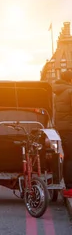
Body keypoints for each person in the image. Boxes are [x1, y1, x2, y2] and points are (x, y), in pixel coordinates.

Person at [53, 70, 72, 198]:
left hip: (63, 129)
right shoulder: (70, 92)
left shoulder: (57, 93)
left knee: (68, 157)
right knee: (70, 158)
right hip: (70, 128)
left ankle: (68, 186)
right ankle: (70, 188)